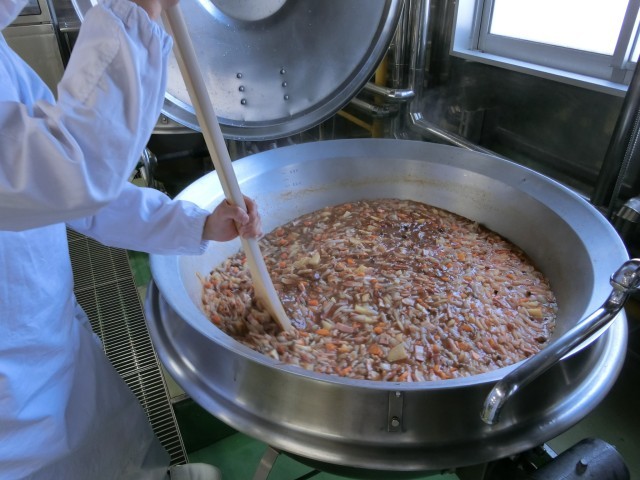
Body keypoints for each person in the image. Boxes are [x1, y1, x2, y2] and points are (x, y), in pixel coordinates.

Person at [0, 0, 261, 477]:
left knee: (106, 441)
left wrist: (197, 224)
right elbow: (71, 170)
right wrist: (138, 10)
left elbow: (61, 188)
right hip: (11, 404)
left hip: (48, 331)